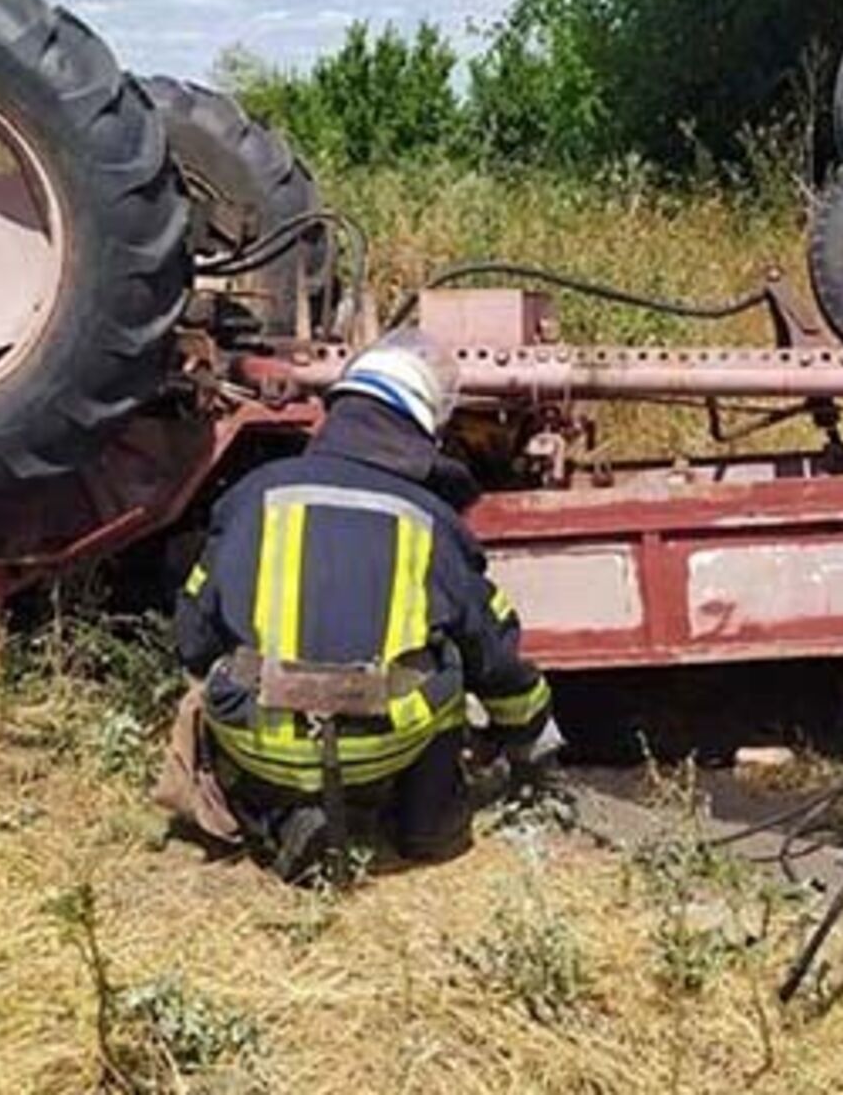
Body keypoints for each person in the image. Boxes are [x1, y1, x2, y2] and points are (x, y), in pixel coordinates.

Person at [163, 328, 559, 882]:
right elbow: (493, 656)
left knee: (226, 680)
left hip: (257, 740)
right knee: (448, 663)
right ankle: (427, 826)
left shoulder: (256, 493)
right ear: (424, 430)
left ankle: (271, 814)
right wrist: (531, 741)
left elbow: (194, 636)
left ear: (337, 411)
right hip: (383, 746)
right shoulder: (433, 522)